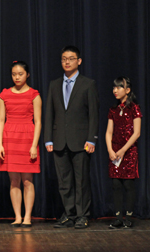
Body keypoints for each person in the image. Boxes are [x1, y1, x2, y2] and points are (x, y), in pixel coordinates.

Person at [45, 45, 99, 229]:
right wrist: (48, 138)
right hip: (59, 140)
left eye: (71, 58)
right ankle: (69, 214)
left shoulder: (88, 84)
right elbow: (49, 114)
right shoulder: (54, 84)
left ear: (79, 61)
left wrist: (91, 138)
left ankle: (82, 215)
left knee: (81, 180)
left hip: (81, 141)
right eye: (64, 59)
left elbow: (93, 114)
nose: (67, 62)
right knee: (64, 181)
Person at [0, 61, 41, 228]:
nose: (17, 77)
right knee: (14, 180)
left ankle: (28, 217)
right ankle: (17, 216)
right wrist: (0, 144)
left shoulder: (34, 95)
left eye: (20, 74)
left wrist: (34, 145)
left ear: (27, 75)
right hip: (9, 138)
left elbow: (38, 122)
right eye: (14, 74)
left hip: (27, 138)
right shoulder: (4, 95)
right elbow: (0, 120)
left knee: (27, 181)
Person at [105, 77, 141, 229]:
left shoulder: (134, 108)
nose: (115, 90)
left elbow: (136, 132)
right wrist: (110, 150)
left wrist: (123, 150)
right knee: (116, 184)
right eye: (114, 87)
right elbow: (108, 132)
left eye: (119, 87)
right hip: (115, 153)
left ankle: (129, 217)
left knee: (128, 184)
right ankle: (118, 217)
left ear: (127, 90)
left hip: (128, 151)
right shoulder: (113, 110)